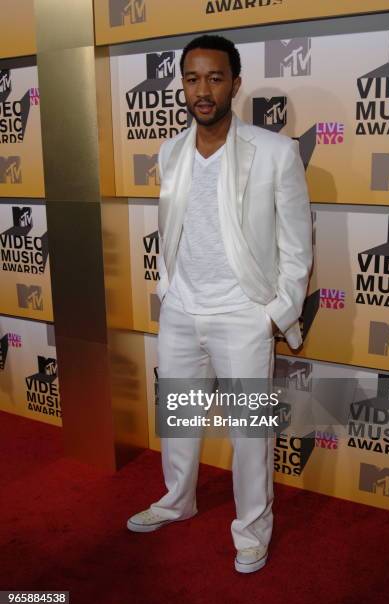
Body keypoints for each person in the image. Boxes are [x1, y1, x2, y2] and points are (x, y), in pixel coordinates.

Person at [127, 34, 313, 574]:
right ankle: (176, 500)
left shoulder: (275, 152)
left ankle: (252, 529)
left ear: (235, 83)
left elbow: (298, 247)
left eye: (214, 78)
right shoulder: (171, 151)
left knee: (250, 433)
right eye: (192, 79)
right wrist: (168, 290)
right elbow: (173, 230)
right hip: (182, 309)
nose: (202, 90)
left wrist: (274, 312)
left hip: (243, 315)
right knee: (178, 420)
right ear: (181, 85)